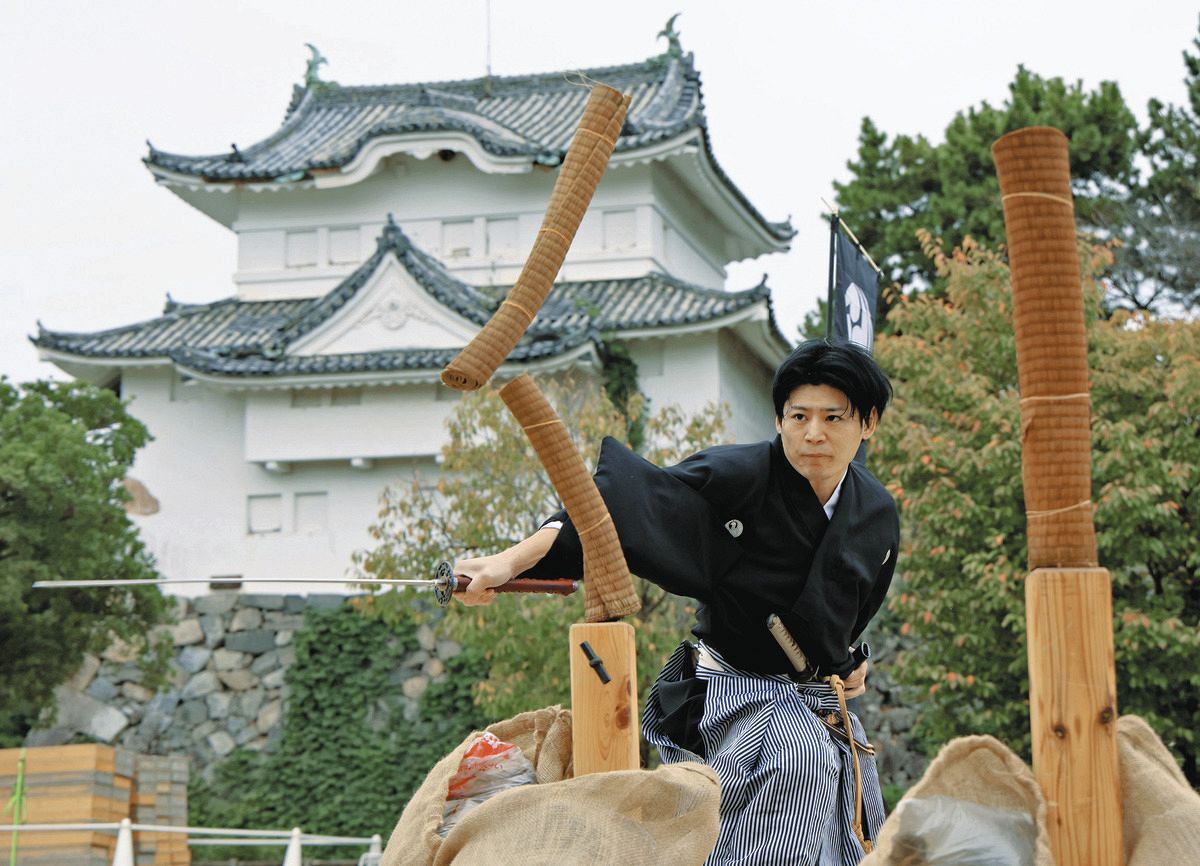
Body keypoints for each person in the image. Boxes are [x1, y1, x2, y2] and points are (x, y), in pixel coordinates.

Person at [453, 339, 898, 866]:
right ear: (779, 420)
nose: (813, 433)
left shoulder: (876, 514)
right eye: (798, 416)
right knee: (796, 757)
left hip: (814, 698)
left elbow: (849, 614)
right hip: (732, 690)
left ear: (867, 424)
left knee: (857, 809)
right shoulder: (739, 475)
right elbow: (613, 509)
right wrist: (508, 562)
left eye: (833, 417)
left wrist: (851, 664)